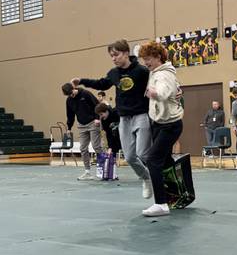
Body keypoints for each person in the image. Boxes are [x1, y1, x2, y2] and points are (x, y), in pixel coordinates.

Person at [72, 39, 153, 199]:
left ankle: (158, 177)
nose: (113, 58)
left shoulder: (141, 71)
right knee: (130, 156)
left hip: (141, 115)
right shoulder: (114, 73)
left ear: (125, 53)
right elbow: (101, 83)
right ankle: (146, 178)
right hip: (124, 119)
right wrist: (81, 81)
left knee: (143, 153)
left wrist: (174, 89)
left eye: (116, 55)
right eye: (111, 56)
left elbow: (157, 79)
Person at [139, 41, 183, 217]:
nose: (146, 62)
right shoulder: (156, 72)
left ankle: (161, 203)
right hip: (160, 123)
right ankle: (178, 194)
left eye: (148, 59)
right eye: (144, 59)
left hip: (169, 125)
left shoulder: (163, 74)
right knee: (164, 161)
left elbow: (163, 92)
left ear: (158, 57)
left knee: (152, 160)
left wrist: (154, 93)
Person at [62, 83, 100, 180]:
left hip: (93, 123)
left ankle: (102, 169)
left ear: (74, 88)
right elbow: (70, 115)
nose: (72, 96)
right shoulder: (69, 100)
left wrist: (97, 118)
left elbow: (97, 105)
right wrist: (69, 128)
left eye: (72, 93)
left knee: (96, 146)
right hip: (81, 125)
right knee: (83, 148)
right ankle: (87, 172)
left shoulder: (86, 94)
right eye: (69, 95)